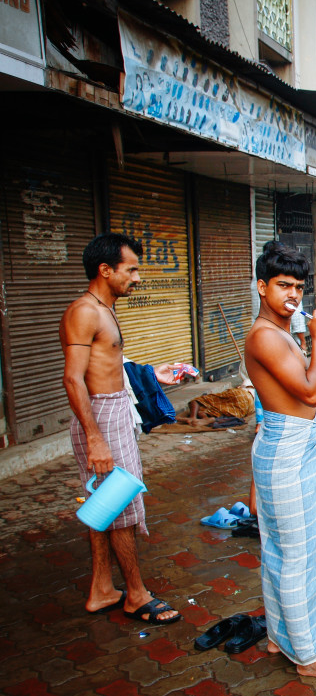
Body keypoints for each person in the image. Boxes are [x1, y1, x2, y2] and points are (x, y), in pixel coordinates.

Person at [60, 233, 183, 623]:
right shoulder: (85, 311)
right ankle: (135, 594)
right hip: (101, 419)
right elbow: (73, 379)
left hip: (111, 412)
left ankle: (101, 588)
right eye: (130, 269)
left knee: (104, 503)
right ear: (105, 270)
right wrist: (96, 437)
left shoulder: (104, 309)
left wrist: (150, 374)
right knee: (125, 507)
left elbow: (109, 365)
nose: (137, 277)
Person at [246, 244, 316, 679]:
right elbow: (310, 392)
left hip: (294, 445)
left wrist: (310, 341)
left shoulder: (279, 330)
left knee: (289, 548)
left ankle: (280, 634)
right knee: (296, 554)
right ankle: (309, 657)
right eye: (283, 285)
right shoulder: (264, 336)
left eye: (299, 287)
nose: (293, 294)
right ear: (261, 286)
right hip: (286, 450)